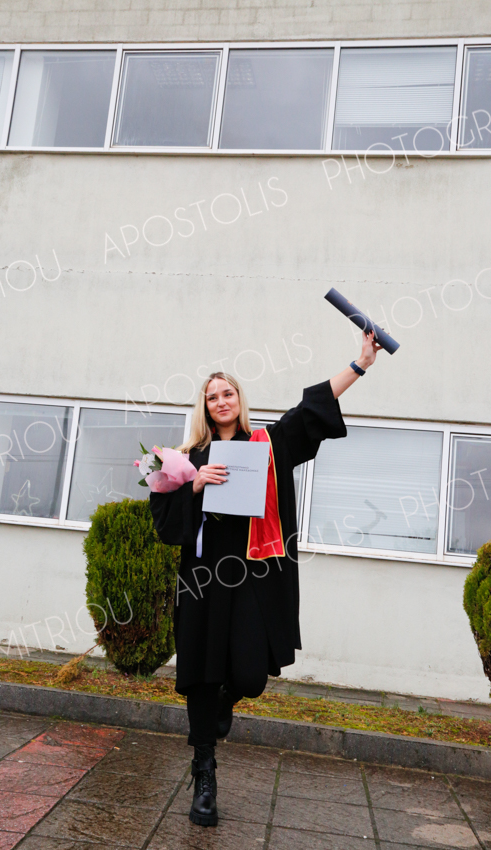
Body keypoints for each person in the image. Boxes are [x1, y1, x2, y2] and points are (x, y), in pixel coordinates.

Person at [150, 330, 382, 827]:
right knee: (202, 675)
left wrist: (360, 363)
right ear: (204, 407)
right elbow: (165, 524)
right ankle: (204, 773)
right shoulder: (187, 459)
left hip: (253, 577)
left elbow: (312, 407)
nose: (221, 401)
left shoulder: (268, 444)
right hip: (204, 581)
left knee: (251, 676)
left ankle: (225, 703)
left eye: (228, 393)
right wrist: (195, 485)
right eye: (212, 397)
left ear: (240, 399)